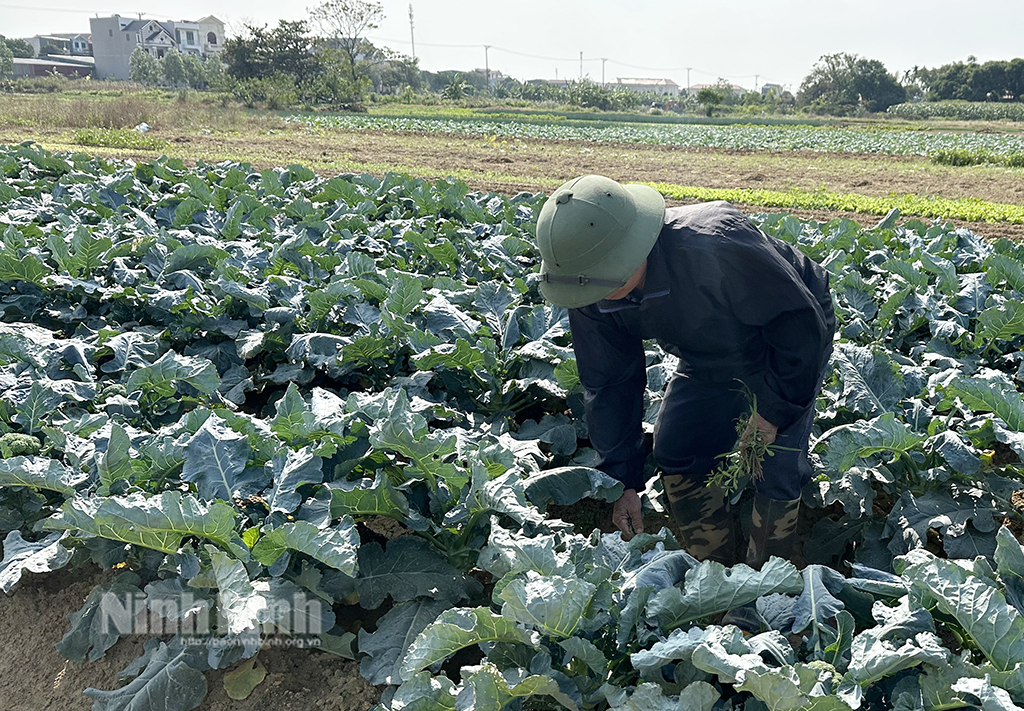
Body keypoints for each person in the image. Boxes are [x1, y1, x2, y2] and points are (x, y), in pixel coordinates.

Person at [534, 174, 835, 572]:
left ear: (630, 256)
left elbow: (798, 328)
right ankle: (713, 568)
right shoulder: (589, 288)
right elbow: (609, 383)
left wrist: (772, 411)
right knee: (676, 446)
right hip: (707, 352)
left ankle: (765, 586)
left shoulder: (715, 244)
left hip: (786, 342)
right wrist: (622, 480)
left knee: (776, 463)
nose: (590, 297)